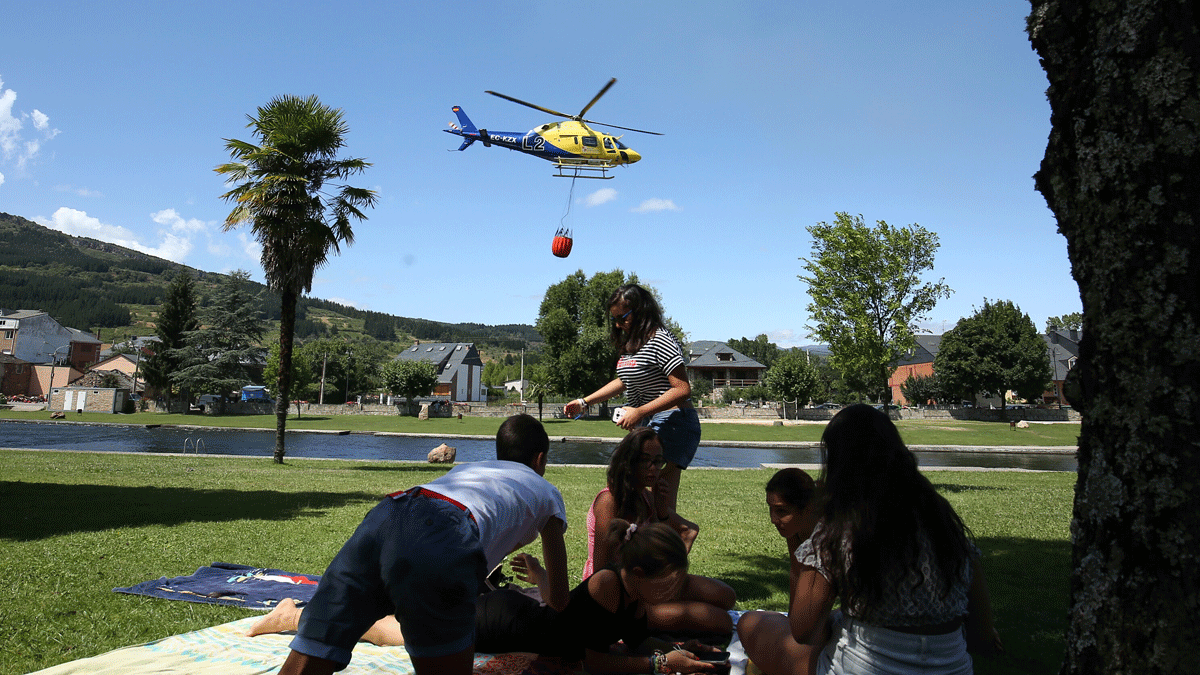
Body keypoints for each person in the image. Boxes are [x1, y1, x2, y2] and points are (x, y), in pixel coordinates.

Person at [278, 413, 570, 675]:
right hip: (444, 535)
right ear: (540, 459)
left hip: (391, 511)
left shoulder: (474, 470)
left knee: (310, 657)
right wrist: (540, 575)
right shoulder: (547, 492)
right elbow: (558, 599)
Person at [255, 522, 736, 674]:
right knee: (397, 633)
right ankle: (296, 616)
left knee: (402, 623)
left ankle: (301, 614)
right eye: (667, 580)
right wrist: (660, 665)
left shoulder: (633, 596)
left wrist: (675, 648)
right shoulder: (611, 584)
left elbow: (633, 642)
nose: (674, 590)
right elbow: (591, 659)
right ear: (637, 572)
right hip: (504, 621)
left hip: (523, 615)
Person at [738, 405, 1003, 675]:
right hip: (952, 669)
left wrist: (798, 541)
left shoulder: (841, 529)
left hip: (864, 668)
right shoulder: (941, 521)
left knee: (752, 624)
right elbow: (982, 638)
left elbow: (803, 630)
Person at [563, 283, 700, 517]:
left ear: (641, 310)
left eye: (622, 317)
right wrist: (585, 402)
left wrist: (639, 411)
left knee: (647, 489)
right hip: (650, 423)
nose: (618, 325)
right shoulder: (632, 345)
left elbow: (682, 389)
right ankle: (651, 539)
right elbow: (623, 380)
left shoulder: (661, 340)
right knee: (639, 488)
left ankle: (673, 536)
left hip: (675, 421)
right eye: (614, 319)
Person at [584, 427, 699, 578]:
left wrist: (662, 511)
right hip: (613, 588)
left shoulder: (647, 497)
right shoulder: (609, 501)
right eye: (645, 460)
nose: (653, 468)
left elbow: (687, 533)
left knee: (722, 593)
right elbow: (601, 571)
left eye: (658, 461)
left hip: (644, 582)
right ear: (629, 461)